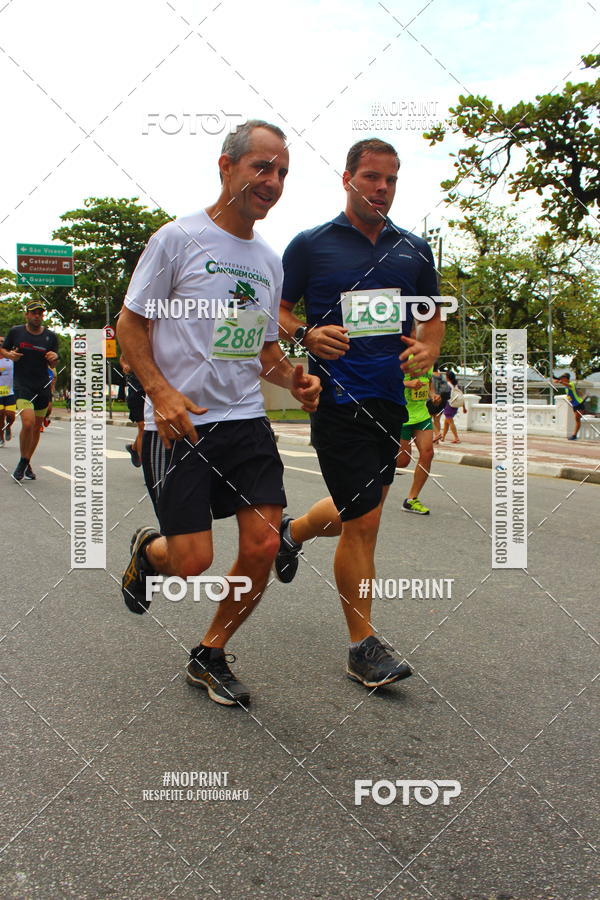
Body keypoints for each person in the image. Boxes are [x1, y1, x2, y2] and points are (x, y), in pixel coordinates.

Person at [117, 119, 321, 708]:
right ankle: (149, 552)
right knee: (191, 562)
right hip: (179, 425)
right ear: (226, 165)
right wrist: (160, 391)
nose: (273, 181)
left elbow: (261, 351)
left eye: (282, 172)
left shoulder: (269, 259)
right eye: (262, 166)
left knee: (261, 545)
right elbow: (132, 325)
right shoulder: (177, 239)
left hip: (245, 423)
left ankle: (210, 651)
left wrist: (294, 379)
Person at [276, 138, 444, 689]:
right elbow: (272, 310)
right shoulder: (311, 245)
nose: (382, 189)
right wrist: (305, 332)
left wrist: (428, 348)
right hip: (337, 399)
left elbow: (434, 315)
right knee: (366, 523)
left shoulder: (414, 249)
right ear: (347, 178)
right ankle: (362, 647)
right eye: (372, 177)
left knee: (360, 508)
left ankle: (293, 532)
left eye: (391, 180)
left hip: (391, 400)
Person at [1, 301, 58, 480]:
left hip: (42, 386)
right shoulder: (16, 332)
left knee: (35, 427)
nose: (37, 316)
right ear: (27, 315)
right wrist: (9, 355)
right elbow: (3, 348)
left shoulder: (50, 337)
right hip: (22, 384)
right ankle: (23, 463)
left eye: (40, 313)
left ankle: (25, 461)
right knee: (27, 422)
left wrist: (54, 357)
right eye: (33, 313)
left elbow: (53, 362)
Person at [396, 366, 435, 514]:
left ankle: (411, 500)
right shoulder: (401, 354)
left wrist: (432, 394)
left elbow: (428, 381)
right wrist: (408, 384)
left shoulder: (428, 358)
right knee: (402, 461)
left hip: (421, 415)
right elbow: (384, 381)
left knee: (428, 453)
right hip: (401, 415)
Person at [120, 353, 146, 467]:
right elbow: (123, 357)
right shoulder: (135, 339)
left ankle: (134, 448)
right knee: (143, 428)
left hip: (153, 390)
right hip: (136, 390)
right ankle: (146, 468)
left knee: (150, 430)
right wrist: (125, 365)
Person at [553, 373, 586, 440]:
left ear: (566, 378)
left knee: (577, 418)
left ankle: (574, 435)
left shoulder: (571, 384)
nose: (561, 379)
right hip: (574, 405)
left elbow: (568, 385)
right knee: (577, 419)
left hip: (579, 403)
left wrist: (560, 382)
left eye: (562, 378)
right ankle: (574, 435)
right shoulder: (566, 387)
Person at [439, 371, 466, 443]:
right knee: (446, 422)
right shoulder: (456, 385)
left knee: (450, 422)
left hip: (449, 405)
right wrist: (464, 407)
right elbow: (461, 396)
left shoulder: (447, 385)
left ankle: (456, 438)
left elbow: (443, 395)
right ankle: (443, 437)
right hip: (455, 405)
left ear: (447, 377)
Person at [0, 335, 16, 446]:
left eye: (2, 341)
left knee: (11, 416)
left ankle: (8, 427)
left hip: (10, 392)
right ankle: (1, 438)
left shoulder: (11, 357)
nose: (1, 343)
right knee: (0, 415)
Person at [428, 365, 450, 442]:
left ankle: (436, 434)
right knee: (437, 419)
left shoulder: (429, 375)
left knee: (427, 419)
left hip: (432, 400)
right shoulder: (442, 376)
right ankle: (437, 439)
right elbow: (447, 388)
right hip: (442, 401)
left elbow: (428, 388)